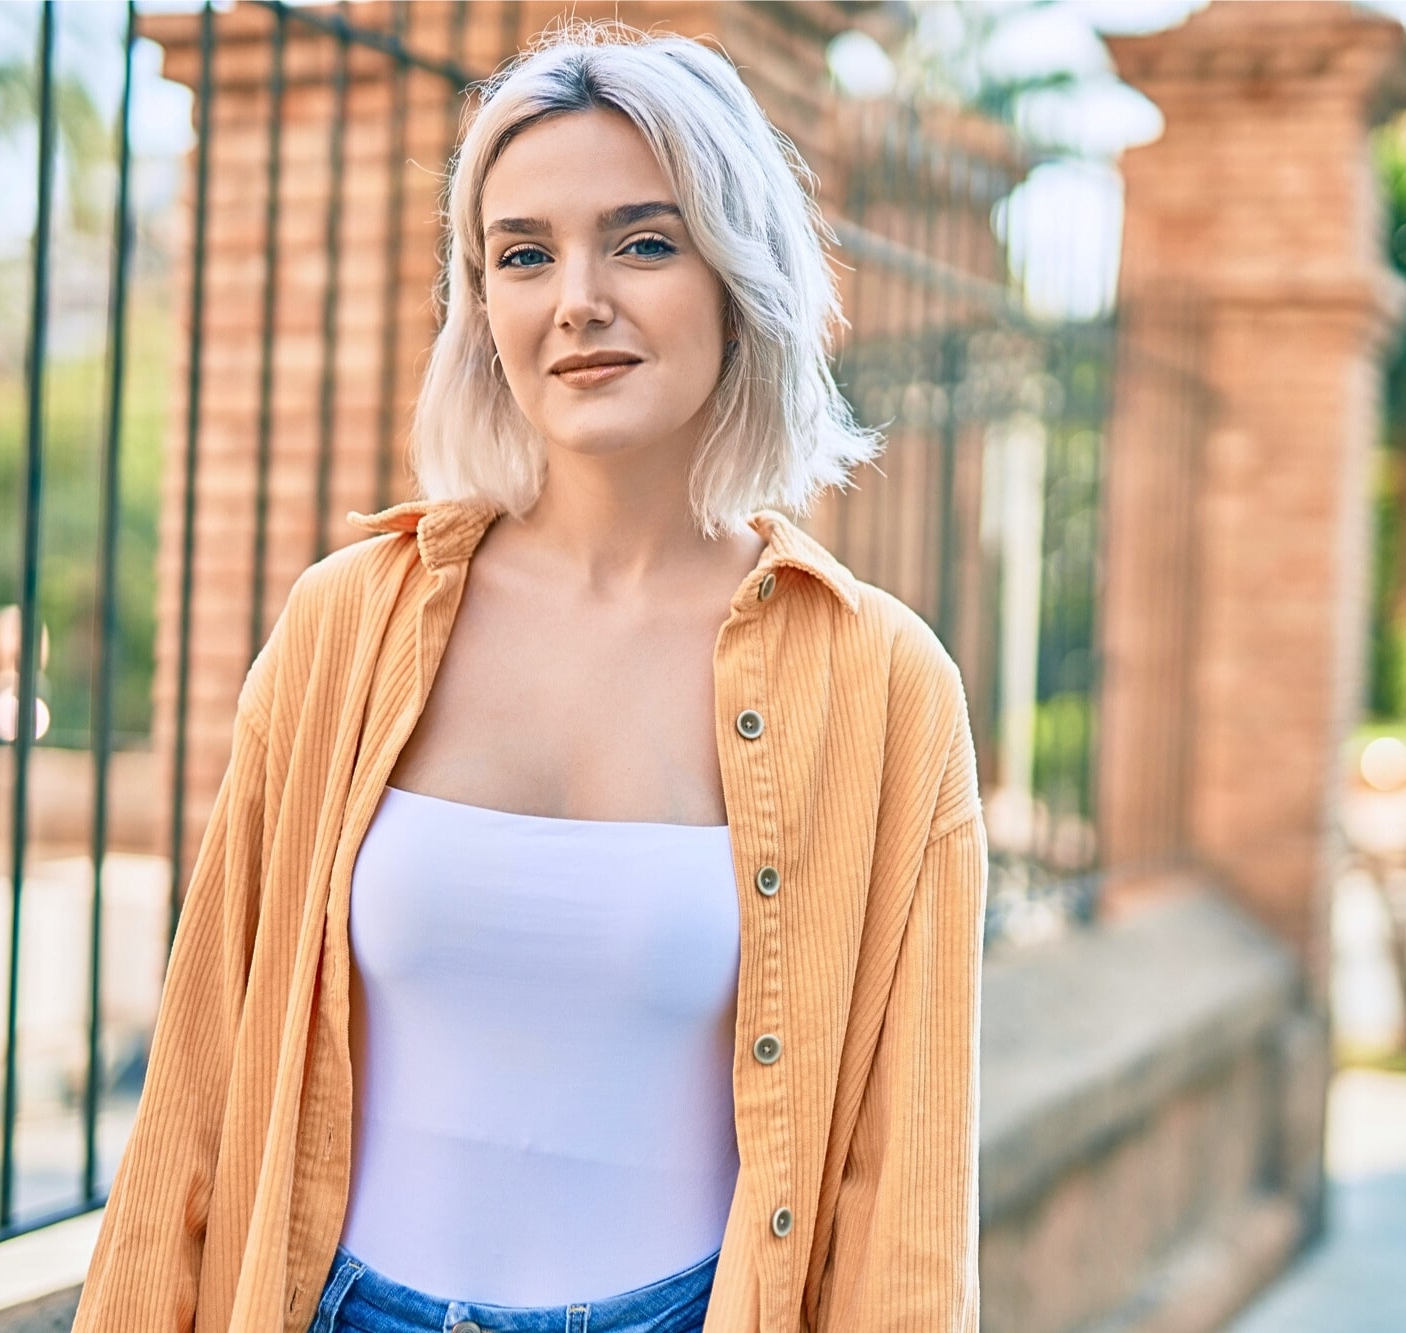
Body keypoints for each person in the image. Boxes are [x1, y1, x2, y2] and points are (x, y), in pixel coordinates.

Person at [73, 21, 985, 1333]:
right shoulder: (345, 629)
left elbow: (905, 1195)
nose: (577, 299)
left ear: (739, 272)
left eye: (644, 240)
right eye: (523, 253)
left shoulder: (884, 687)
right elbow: (200, 1092)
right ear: (480, 298)